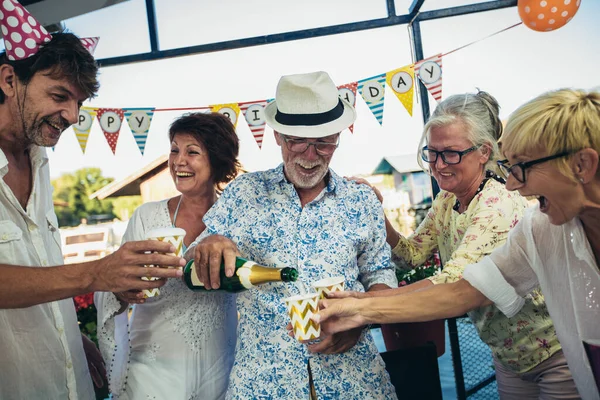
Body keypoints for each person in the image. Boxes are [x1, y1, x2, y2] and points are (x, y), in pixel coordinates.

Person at [316, 88, 600, 399]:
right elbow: (455, 282)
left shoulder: (500, 206)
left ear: (484, 152)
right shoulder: (526, 224)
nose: (514, 184)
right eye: (432, 153)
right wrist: (376, 218)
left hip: (556, 356)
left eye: (522, 166)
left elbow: (454, 284)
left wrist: (362, 307)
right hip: (512, 357)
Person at [0, 2, 184, 399]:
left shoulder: (39, 158)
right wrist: (95, 273)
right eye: (60, 95)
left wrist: (67, 335)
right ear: (9, 79)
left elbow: (38, 264)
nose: (71, 114)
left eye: (80, 103)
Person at [188, 71, 398, 399]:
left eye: (323, 142)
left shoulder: (362, 200)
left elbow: (381, 274)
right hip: (263, 383)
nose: (310, 155)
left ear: (339, 137)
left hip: (355, 381)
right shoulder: (245, 193)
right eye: (297, 140)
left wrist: (361, 319)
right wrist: (208, 245)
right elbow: (194, 257)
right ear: (277, 136)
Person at [95, 112, 241, 399]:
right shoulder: (147, 218)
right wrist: (124, 292)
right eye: (174, 149)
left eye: (192, 152)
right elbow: (111, 283)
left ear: (218, 160)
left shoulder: (237, 221)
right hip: (150, 370)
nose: (178, 161)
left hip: (218, 368)